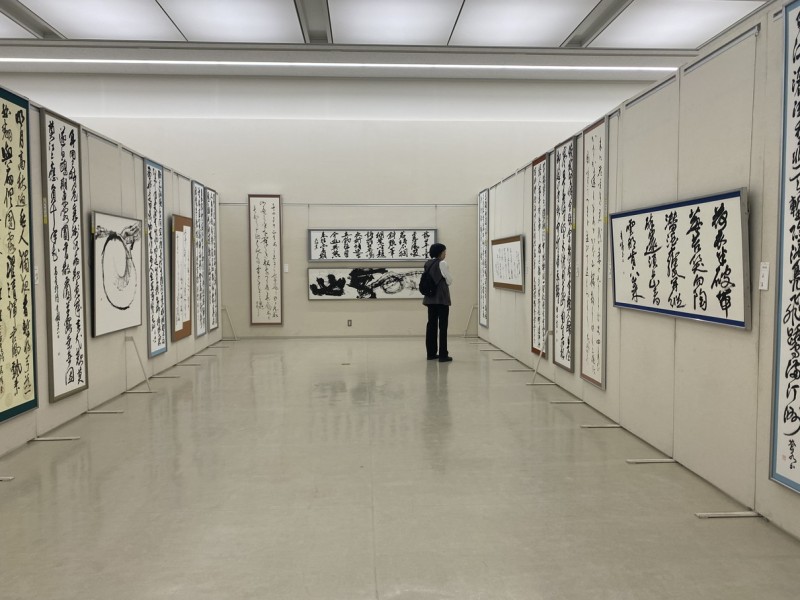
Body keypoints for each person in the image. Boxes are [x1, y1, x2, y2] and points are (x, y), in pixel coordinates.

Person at [423, 242, 453, 362]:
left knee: (431, 325)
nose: (445, 254)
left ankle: (431, 353)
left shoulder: (427, 263)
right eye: (444, 251)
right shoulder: (442, 263)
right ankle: (443, 355)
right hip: (441, 298)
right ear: (440, 253)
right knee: (443, 326)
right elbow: (449, 280)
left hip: (430, 298)